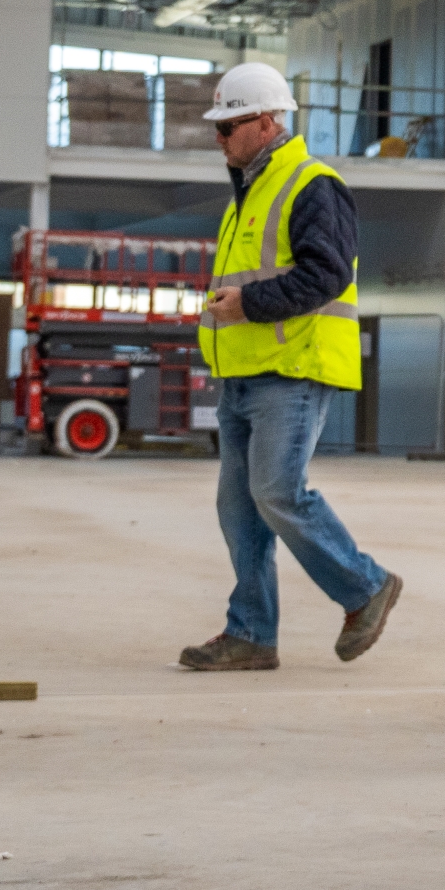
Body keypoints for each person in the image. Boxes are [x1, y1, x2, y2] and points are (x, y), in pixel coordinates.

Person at [178, 62, 403, 673]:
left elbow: (325, 273)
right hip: (245, 373)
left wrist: (246, 305)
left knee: (277, 491)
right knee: (238, 507)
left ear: (269, 121)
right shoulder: (247, 193)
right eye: (218, 128)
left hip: (292, 366)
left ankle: (365, 588)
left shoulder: (311, 184)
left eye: (229, 126)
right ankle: (250, 633)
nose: (220, 138)